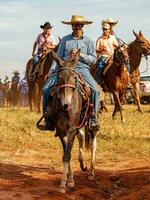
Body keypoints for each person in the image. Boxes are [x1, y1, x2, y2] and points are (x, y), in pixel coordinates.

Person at [39, 15, 100, 131]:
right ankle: (47, 118)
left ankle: (93, 118)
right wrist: (51, 70)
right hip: (64, 67)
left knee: (95, 90)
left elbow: (93, 59)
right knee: (46, 89)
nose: (75, 27)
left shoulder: (88, 41)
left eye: (77, 25)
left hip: (81, 68)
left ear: (82, 26)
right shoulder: (65, 40)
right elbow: (58, 56)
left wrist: (80, 55)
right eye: (73, 25)